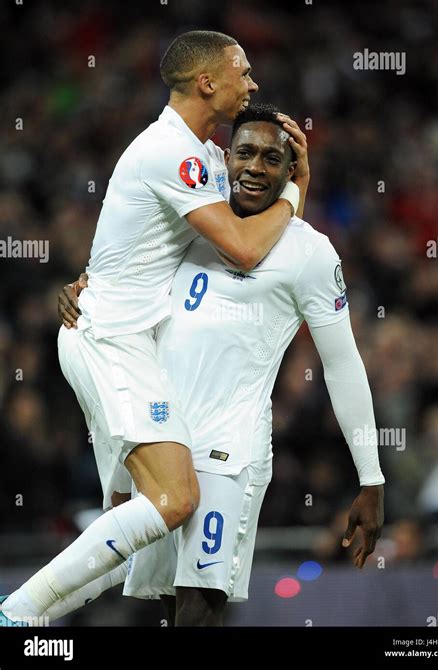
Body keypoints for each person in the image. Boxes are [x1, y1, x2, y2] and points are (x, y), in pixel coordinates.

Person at [0, 32, 309, 626]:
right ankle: (20, 612)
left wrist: (299, 181)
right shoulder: (173, 153)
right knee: (175, 500)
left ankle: (28, 619)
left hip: (124, 340)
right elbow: (246, 248)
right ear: (207, 83)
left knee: (134, 518)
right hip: (112, 342)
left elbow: (269, 246)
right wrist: (297, 188)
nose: (254, 83)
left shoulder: (209, 158)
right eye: (243, 72)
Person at [50, 104, 384, 627]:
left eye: (272, 159)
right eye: (245, 152)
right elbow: (128, 299)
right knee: (164, 605)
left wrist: (371, 477)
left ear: (290, 172)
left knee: (199, 608)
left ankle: (25, 612)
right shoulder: (189, 230)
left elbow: (343, 366)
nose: (255, 166)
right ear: (225, 158)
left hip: (230, 452)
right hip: (164, 444)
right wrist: (86, 292)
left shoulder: (311, 253)